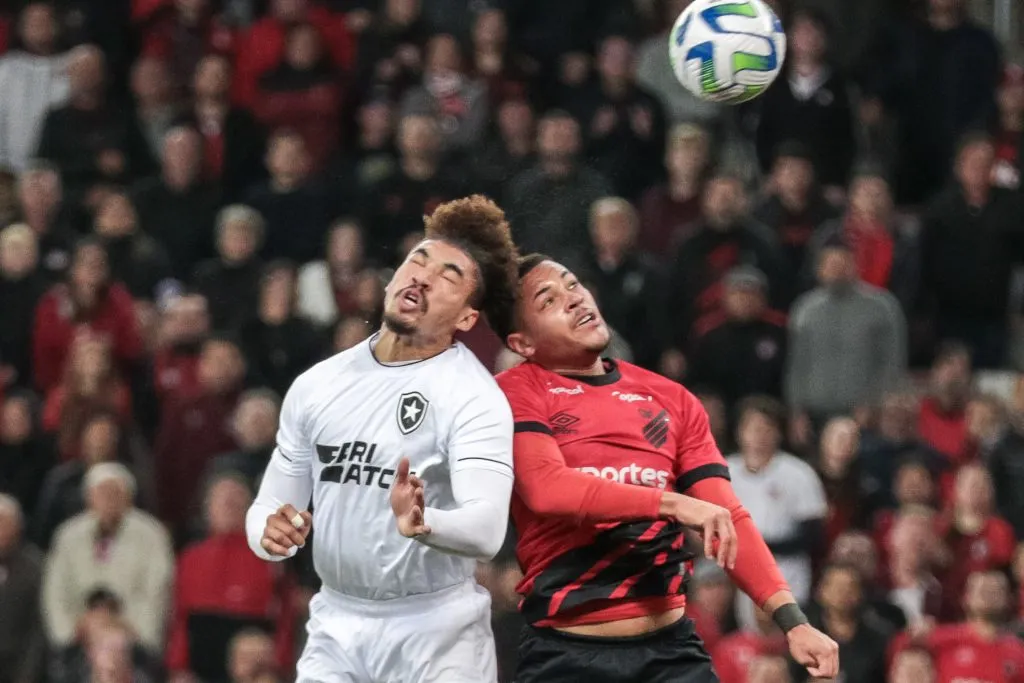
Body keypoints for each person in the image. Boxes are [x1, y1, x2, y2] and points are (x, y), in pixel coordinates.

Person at [488, 253, 838, 681]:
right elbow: (547, 488)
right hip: (567, 654)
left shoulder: (670, 397)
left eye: (573, 285)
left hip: (671, 653)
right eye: (549, 300)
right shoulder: (516, 389)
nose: (575, 299)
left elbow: (728, 518)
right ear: (522, 343)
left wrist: (793, 621)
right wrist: (670, 504)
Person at [246, 195, 520, 683]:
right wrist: (269, 535)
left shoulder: (473, 397)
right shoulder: (318, 384)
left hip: (438, 632)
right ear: (392, 279)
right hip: (336, 624)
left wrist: (423, 522)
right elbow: (269, 505)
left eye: (449, 277)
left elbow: (488, 531)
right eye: (418, 260)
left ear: (466, 319)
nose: (423, 276)